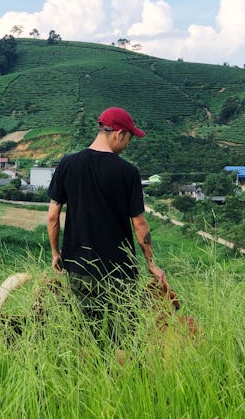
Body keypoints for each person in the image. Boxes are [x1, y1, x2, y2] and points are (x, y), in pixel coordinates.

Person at [47, 106, 168, 343]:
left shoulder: (67, 164)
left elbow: (52, 216)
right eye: (129, 137)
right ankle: (120, 378)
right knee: (122, 337)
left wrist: (55, 253)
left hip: (78, 267)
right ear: (119, 133)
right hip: (119, 271)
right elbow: (139, 223)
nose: (127, 144)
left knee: (86, 336)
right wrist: (151, 263)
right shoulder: (128, 171)